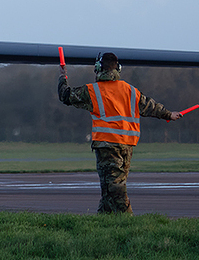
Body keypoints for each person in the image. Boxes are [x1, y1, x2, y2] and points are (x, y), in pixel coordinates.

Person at [58, 52, 183, 213]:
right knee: (110, 186)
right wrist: (169, 114)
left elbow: (65, 96)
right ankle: (104, 220)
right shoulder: (130, 90)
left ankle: (128, 219)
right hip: (127, 146)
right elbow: (150, 106)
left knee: (115, 187)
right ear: (118, 68)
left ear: (98, 68)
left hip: (107, 146)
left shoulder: (92, 91)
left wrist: (63, 77)